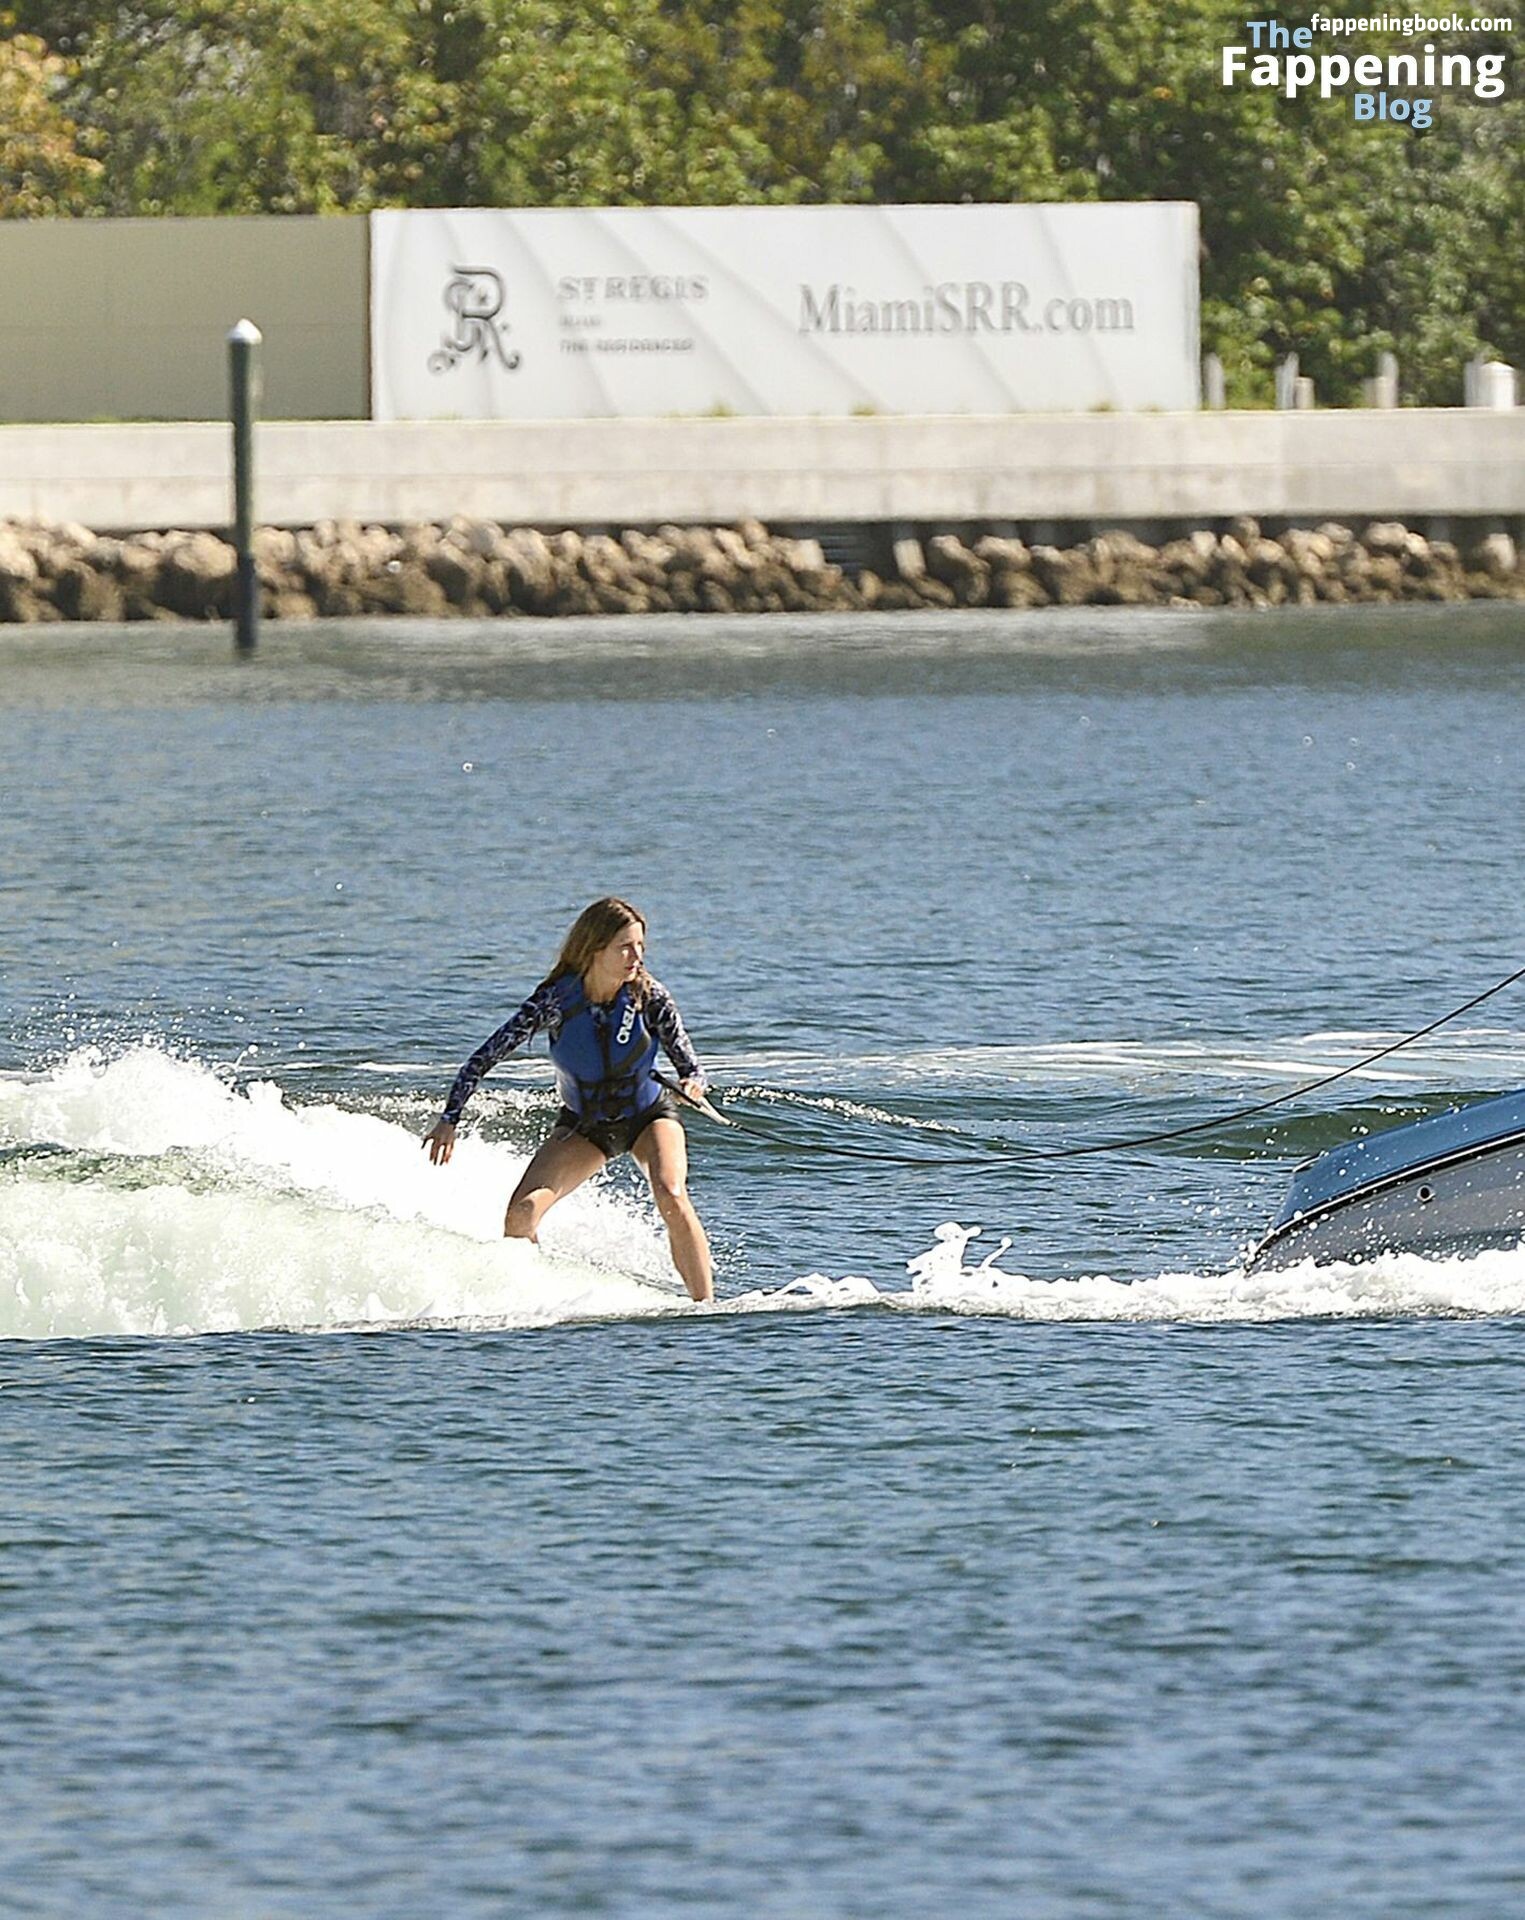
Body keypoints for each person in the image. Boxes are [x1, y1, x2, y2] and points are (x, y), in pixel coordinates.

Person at [423, 897, 715, 1303]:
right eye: (625, 947)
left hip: (648, 1116)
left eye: (641, 947)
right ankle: (535, 1302)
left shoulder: (650, 997)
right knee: (521, 1214)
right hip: (586, 1125)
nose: (637, 957)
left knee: (671, 1194)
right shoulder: (556, 1001)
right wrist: (449, 1120)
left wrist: (692, 1085)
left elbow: (691, 1068)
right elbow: (483, 1058)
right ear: (594, 949)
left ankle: (705, 1307)